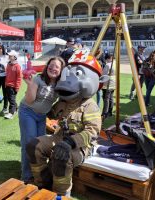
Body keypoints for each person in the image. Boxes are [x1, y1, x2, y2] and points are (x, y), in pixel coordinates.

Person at [26, 50, 108, 196]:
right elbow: (49, 112)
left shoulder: (90, 106)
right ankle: (42, 182)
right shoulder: (63, 102)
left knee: (61, 154)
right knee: (34, 145)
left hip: (80, 147)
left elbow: (92, 132)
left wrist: (71, 142)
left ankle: (61, 194)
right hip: (58, 139)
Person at [19, 57, 65, 184]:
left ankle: (38, 174)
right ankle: (27, 176)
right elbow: (29, 100)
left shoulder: (59, 85)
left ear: (61, 71)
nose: (53, 68)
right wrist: (30, 85)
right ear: (47, 66)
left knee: (39, 145)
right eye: (51, 65)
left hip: (42, 116)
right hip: (28, 112)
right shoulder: (38, 79)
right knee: (28, 143)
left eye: (57, 67)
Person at [4, 50, 22, 119]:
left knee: (11, 100)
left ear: (15, 57)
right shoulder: (8, 64)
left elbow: (19, 77)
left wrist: (17, 87)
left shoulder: (17, 66)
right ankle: (16, 109)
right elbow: (7, 75)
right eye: (9, 55)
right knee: (11, 99)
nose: (9, 56)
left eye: (11, 56)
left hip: (13, 86)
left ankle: (11, 113)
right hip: (7, 85)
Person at [102, 54, 115, 119]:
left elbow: (104, 74)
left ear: (107, 59)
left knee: (106, 99)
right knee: (111, 98)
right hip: (113, 82)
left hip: (108, 83)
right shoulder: (115, 64)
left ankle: (105, 113)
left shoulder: (107, 65)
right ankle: (110, 111)